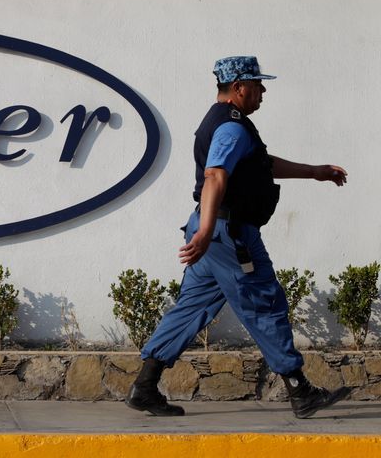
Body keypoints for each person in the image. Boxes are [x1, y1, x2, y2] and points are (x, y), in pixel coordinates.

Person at [125, 56, 350, 418]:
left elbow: (260, 163)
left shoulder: (229, 125)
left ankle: (145, 386)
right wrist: (205, 231)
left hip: (213, 236)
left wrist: (315, 172)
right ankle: (300, 390)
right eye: (258, 85)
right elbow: (215, 176)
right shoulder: (231, 127)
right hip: (229, 236)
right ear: (239, 87)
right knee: (264, 303)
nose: (262, 92)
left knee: (192, 307)